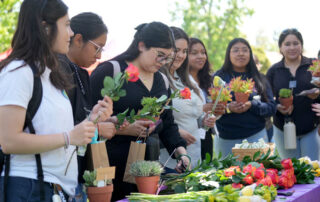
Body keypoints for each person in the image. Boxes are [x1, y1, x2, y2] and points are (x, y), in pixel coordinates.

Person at [0, 0, 112, 201]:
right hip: (28, 187)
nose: (71, 33)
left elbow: (58, 131)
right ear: (45, 28)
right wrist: (68, 137)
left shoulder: (50, 74)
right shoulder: (19, 72)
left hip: (55, 189)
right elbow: (9, 141)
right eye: (66, 24)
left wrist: (92, 120)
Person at [90, 22, 190, 201]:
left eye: (168, 58)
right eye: (160, 55)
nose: (163, 62)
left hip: (147, 168)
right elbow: (86, 119)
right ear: (141, 45)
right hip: (108, 166)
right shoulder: (111, 70)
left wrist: (181, 153)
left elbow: (167, 123)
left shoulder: (162, 80)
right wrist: (122, 128)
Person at [58, 12, 115, 201]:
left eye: (102, 51)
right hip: (58, 172)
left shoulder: (82, 74)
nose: (98, 57)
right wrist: (97, 126)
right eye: (97, 48)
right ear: (78, 39)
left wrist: (99, 117)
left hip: (77, 169)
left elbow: (83, 119)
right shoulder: (57, 69)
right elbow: (58, 123)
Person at [159, 28, 215, 170]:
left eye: (184, 51)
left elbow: (193, 114)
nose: (181, 55)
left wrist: (204, 120)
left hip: (193, 155)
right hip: (170, 160)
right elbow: (156, 120)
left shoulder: (185, 79)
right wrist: (176, 132)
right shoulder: (159, 79)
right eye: (177, 50)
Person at [214, 38, 276, 158]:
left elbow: (271, 108)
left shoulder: (260, 78)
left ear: (250, 54)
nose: (240, 53)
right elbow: (210, 107)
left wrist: (252, 105)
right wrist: (228, 107)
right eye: (236, 50)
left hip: (256, 136)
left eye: (244, 50)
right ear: (228, 54)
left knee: (258, 174)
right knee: (228, 175)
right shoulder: (218, 77)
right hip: (226, 138)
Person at [267, 28, 320, 160]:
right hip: (283, 130)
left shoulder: (315, 65)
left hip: (312, 129)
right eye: (287, 44)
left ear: (301, 46)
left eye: (296, 43)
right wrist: (278, 107)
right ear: (280, 47)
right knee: (291, 172)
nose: (292, 47)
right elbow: (266, 99)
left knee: (312, 172)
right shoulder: (274, 71)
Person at [188, 37, 218, 160]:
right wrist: (202, 108)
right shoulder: (178, 81)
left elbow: (212, 110)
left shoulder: (209, 81)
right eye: (194, 53)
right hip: (188, 137)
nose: (201, 56)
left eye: (203, 52)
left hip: (206, 135)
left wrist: (218, 111)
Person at [253, 54, 274, 142]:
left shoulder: (263, 79)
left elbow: (271, 106)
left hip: (265, 127)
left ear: (258, 66)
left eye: (254, 64)